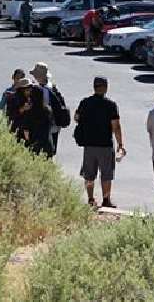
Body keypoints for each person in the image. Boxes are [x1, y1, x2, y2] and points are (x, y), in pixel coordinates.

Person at [74, 77, 124, 208]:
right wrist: (120, 144)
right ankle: (106, 199)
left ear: (94, 87)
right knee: (106, 174)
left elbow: (76, 117)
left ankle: (90, 199)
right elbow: (116, 126)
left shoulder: (85, 102)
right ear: (106, 87)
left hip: (89, 144)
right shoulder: (110, 105)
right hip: (105, 144)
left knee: (89, 174)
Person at [30, 63, 68, 155]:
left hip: (46, 125)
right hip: (55, 125)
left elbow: (42, 107)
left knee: (43, 151)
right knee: (51, 149)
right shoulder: (53, 87)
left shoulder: (43, 89)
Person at [18, 85, 55, 156]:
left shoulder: (30, 111)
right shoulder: (48, 110)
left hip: (35, 145)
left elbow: (26, 132)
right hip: (48, 144)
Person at [0, 69, 30, 139]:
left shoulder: (27, 91)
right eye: (17, 78)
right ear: (13, 77)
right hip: (11, 120)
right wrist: (5, 97)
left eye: (21, 78)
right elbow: (0, 106)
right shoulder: (8, 92)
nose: (19, 80)